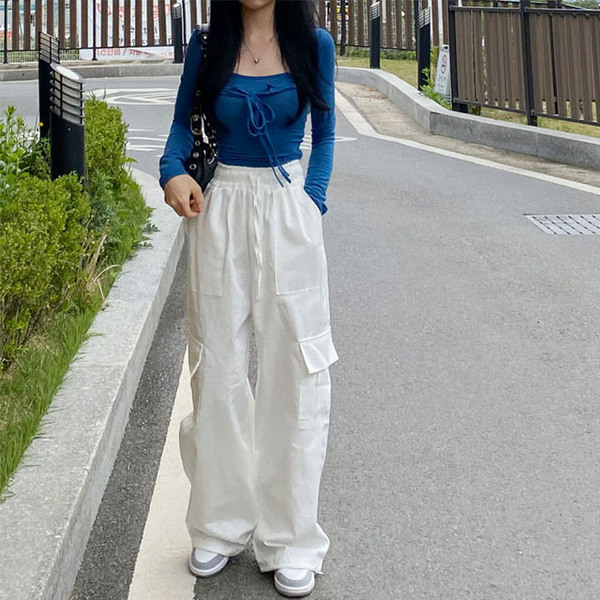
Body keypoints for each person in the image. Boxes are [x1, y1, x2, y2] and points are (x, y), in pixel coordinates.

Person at [158, 0, 338, 596]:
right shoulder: (208, 45)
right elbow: (181, 125)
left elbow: (325, 132)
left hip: (288, 207)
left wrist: (312, 201)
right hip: (220, 210)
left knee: (298, 369)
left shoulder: (313, 44)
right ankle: (219, 524)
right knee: (218, 367)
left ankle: (292, 538)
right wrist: (171, 171)